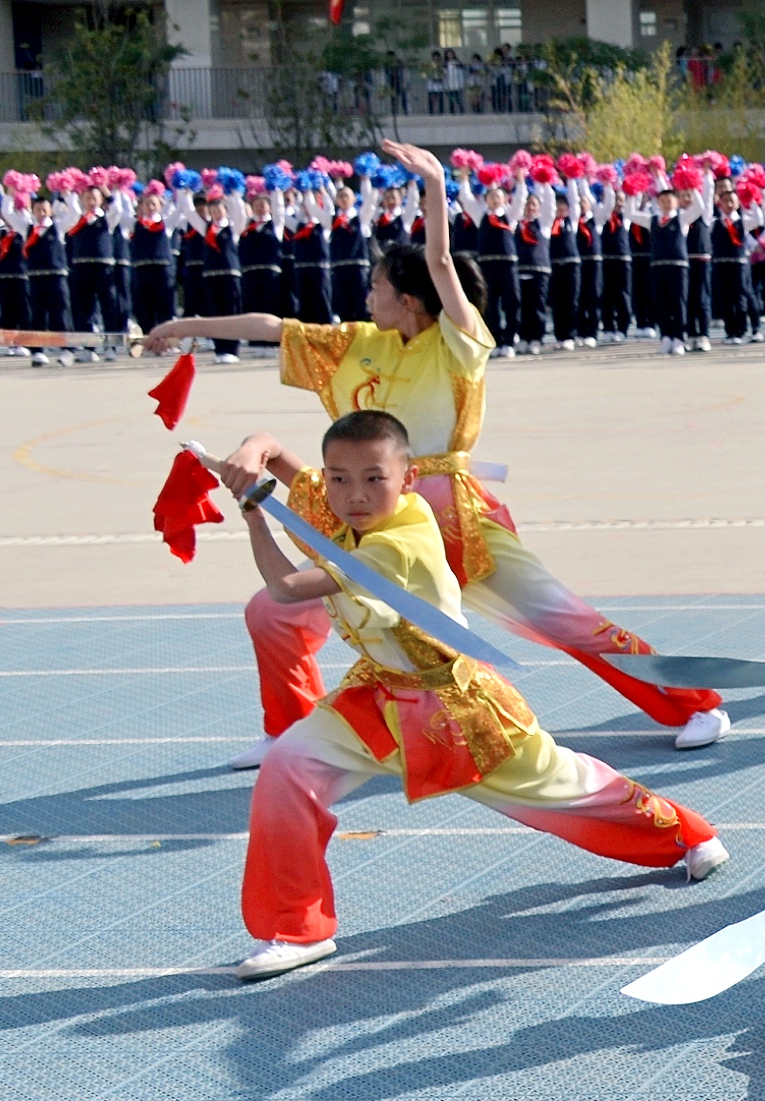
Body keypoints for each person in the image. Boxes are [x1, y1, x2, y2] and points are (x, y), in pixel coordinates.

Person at [145, 141, 726, 764]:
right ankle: (290, 730)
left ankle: (695, 705)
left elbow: (441, 260)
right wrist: (184, 326)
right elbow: (271, 327)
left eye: (377, 286)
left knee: (566, 621)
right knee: (274, 613)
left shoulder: (457, 343)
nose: (367, 296)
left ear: (409, 299)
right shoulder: (355, 343)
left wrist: (434, 183)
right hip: (374, 512)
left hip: (454, 514)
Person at [214, 411, 723, 981]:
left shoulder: (398, 541)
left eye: (373, 479)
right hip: (376, 693)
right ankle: (296, 929)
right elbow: (281, 457)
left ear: (407, 479)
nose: (355, 494)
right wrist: (252, 452)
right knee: (287, 767)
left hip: (454, 708)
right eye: (339, 478)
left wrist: (252, 512)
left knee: (566, 788)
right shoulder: (343, 505)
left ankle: (686, 833)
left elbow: (286, 588)